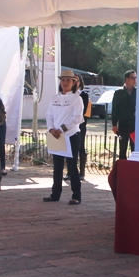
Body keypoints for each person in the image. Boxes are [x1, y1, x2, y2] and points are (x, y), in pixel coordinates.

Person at [43, 69, 85, 205]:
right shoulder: (54, 98)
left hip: (70, 135)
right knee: (57, 166)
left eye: (68, 80)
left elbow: (77, 118)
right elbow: (49, 115)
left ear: (73, 82)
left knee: (72, 167)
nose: (65, 83)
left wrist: (61, 129)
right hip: (56, 136)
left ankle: (76, 195)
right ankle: (55, 194)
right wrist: (51, 128)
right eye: (63, 80)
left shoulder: (77, 99)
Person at [112, 69, 137, 159]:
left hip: (134, 125)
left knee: (135, 149)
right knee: (122, 149)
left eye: (135, 78)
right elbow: (114, 109)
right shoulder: (118, 93)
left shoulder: (138, 92)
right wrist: (114, 124)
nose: (135, 80)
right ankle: (123, 167)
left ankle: (134, 166)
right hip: (123, 125)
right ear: (126, 79)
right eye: (132, 78)